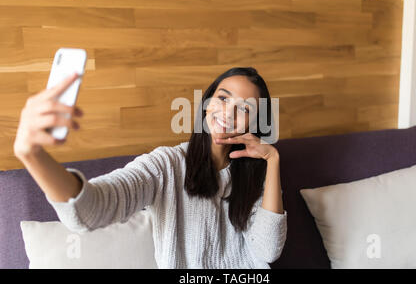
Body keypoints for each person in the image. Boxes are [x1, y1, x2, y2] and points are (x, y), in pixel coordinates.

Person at [14, 67, 287, 268]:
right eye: (223, 99)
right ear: (207, 104)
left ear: (254, 122)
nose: (228, 113)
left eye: (244, 109)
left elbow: (267, 251)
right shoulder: (167, 165)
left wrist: (272, 160)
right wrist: (33, 155)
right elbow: (90, 210)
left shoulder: (254, 173)